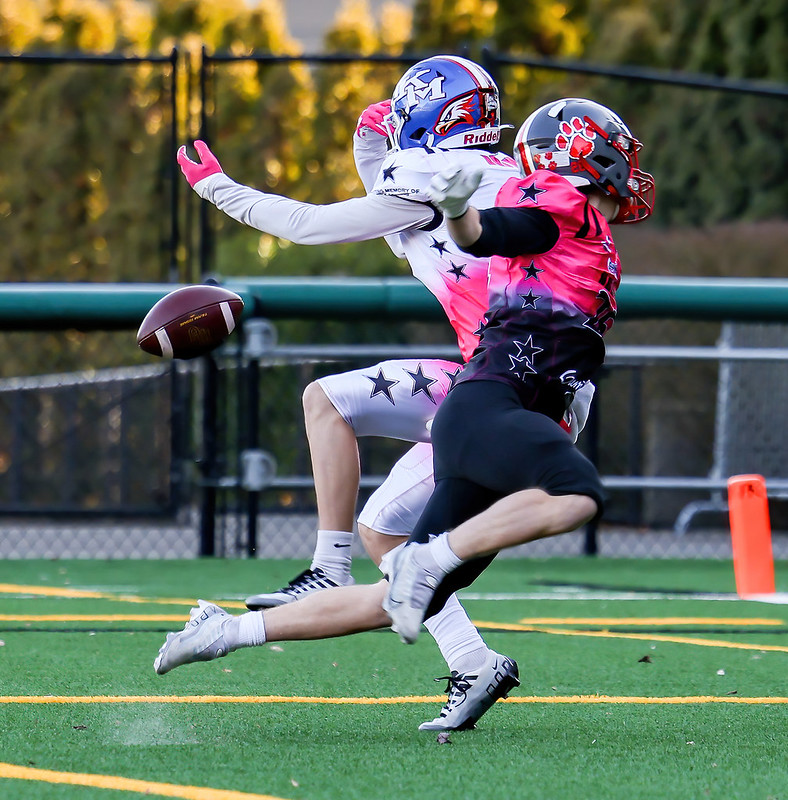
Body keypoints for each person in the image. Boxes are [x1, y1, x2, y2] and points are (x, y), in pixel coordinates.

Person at [154, 97, 654, 727]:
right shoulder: (543, 197)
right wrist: (429, 190)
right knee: (412, 518)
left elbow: (420, 208)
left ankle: (228, 631)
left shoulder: (484, 185)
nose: (628, 169)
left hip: (505, 395)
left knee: (396, 573)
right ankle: (348, 576)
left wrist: (397, 162)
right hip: (494, 392)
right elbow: (456, 221)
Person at [176, 55, 529, 731]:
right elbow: (399, 218)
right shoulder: (486, 174)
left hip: (505, 394)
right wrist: (371, 146)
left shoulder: (431, 177)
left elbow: (312, 225)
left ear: (430, 112)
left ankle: (468, 657)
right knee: (329, 399)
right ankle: (329, 569)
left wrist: (218, 188)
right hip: (492, 374)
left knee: (386, 532)